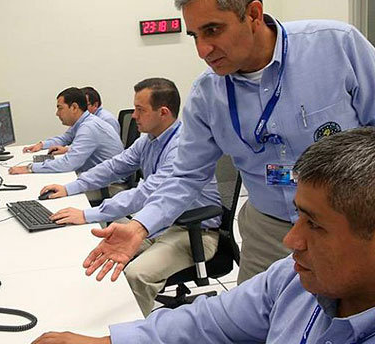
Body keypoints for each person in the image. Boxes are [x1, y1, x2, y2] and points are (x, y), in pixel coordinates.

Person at [81, 0, 375, 286]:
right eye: (194, 35)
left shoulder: (336, 47)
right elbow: (186, 176)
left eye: (212, 30)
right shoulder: (207, 95)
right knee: (261, 314)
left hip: (352, 228)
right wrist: (140, 226)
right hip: (269, 231)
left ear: (253, 14)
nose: (202, 50)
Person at [32, 127, 375, 344]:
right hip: (166, 225)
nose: (290, 241)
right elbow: (208, 321)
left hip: (195, 229)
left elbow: (154, 188)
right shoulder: (291, 279)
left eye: (315, 225)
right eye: (299, 216)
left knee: (136, 273)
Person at [41, 78, 221, 316]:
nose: (134, 115)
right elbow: (115, 166)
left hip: (193, 232)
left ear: (163, 112)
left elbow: (145, 194)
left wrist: (87, 214)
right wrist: (70, 187)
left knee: (136, 274)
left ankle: (129, 331)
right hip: (157, 224)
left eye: (140, 109)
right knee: (93, 252)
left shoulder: (181, 148)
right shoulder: (149, 139)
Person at [11, 87, 123, 175]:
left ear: (74, 107)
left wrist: (30, 167)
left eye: (60, 108)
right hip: (100, 175)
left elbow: (69, 163)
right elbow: (65, 138)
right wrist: (41, 145)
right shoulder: (85, 121)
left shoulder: (89, 127)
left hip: (109, 184)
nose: (57, 113)